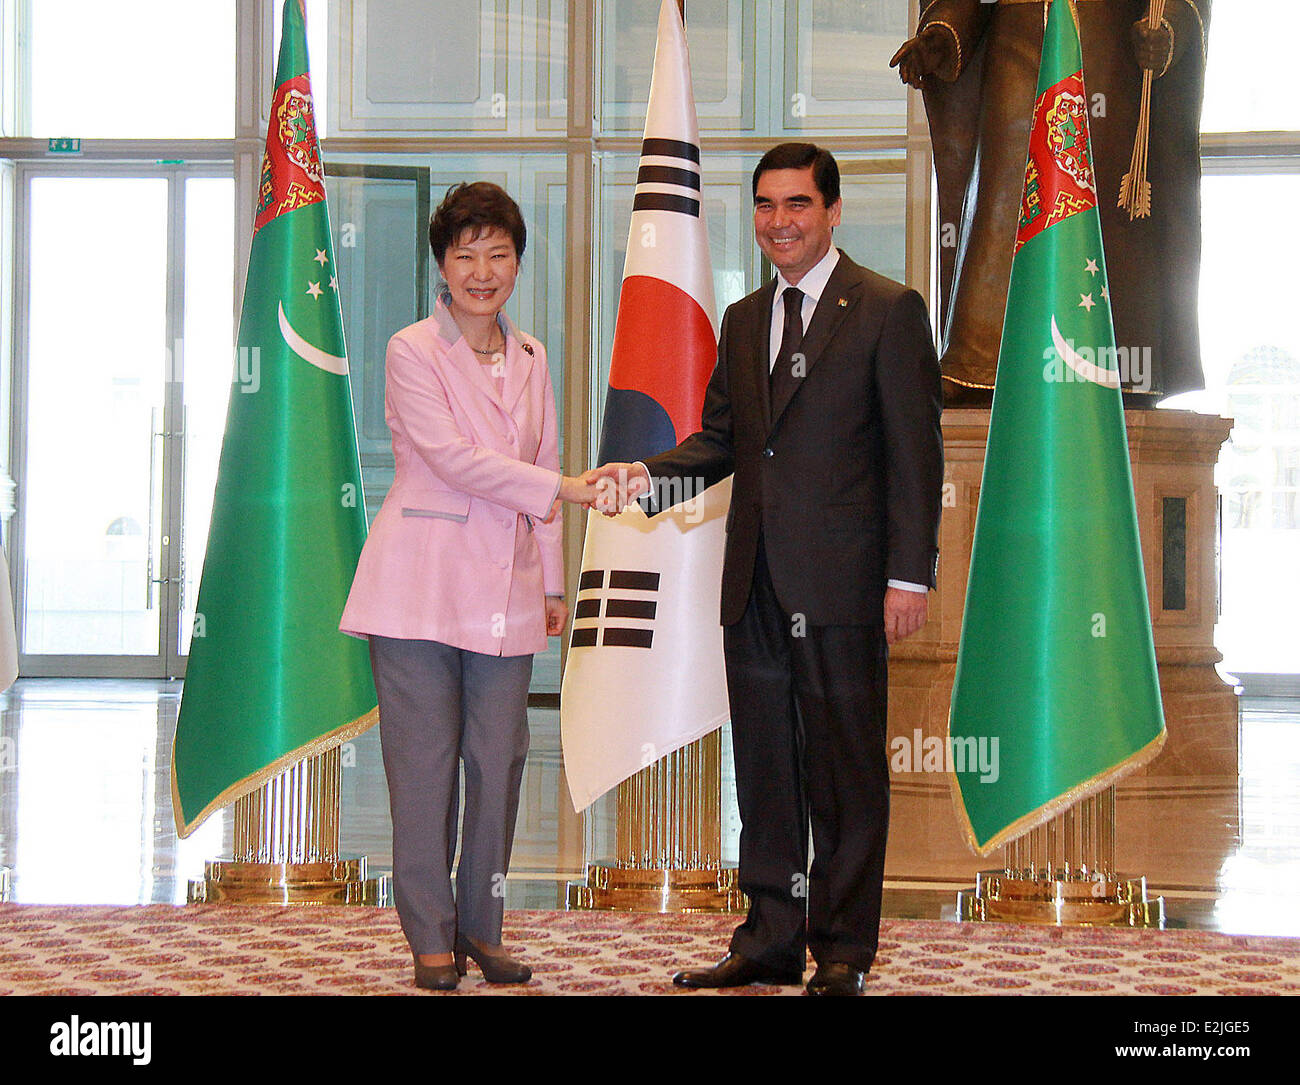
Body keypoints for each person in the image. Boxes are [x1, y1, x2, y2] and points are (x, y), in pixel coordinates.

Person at [591, 144, 944, 996]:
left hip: (846, 586)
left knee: (846, 774)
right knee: (767, 771)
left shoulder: (889, 309)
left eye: (796, 204)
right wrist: (647, 475)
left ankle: (846, 950)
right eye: (764, 206)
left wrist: (911, 574)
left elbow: (915, 454)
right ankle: (772, 938)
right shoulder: (745, 318)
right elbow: (723, 440)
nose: (779, 221)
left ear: (830, 210)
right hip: (753, 585)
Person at [340, 182, 596, 990]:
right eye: (465, 255)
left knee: (500, 760)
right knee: (424, 765)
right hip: (418, 587)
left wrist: (553, 585)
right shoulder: (411, 348)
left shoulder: (532, 357)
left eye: (498, 253)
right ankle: (430, 936)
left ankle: (482, 925)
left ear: (517, 262)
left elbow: (541, 461)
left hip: (508, 592)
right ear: (441, 266)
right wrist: (562, 484)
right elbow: (454, 460)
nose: (483, 271)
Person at [891, 0, 1210, 406]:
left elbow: (1181, 5)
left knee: (1107, 224)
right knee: (1000, 208)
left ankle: (1121, 363)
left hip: (1109, 52)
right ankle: (979, 363)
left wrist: (1167, 31)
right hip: (1017, 48)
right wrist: (941, 36)